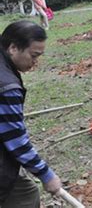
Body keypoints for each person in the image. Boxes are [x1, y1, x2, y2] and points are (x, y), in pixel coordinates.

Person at [0, 21, 62, 207]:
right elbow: (16, 139)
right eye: (34, 55)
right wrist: (46, 175)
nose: (36, 62)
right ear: (13, 48)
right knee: (25, 196)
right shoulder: (7, 87)